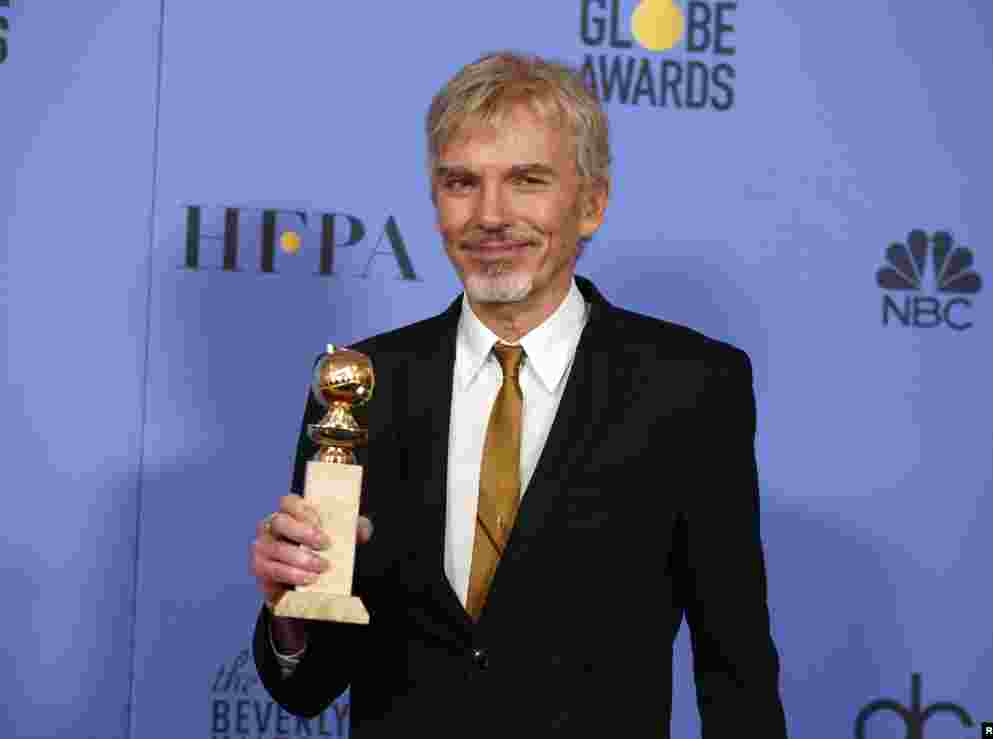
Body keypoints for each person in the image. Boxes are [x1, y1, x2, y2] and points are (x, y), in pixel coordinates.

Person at [249, 51, 787, 738]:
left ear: (591, 203)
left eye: (527, 180)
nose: (491, 216)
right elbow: (310, 686)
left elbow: (734, 664)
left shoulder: (690, 387)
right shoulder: (361, 386)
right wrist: (290, 615)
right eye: (461, 183)